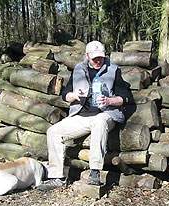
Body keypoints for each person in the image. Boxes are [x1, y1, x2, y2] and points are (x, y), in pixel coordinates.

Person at [44, 40, 132, 187]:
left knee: (99, 122)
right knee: (53, 132)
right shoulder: (78, 69)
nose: (98, 60)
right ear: (87, 56)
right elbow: (65, 94)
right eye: (95, 58)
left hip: (106, 113)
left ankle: (95, 172)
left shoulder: (113, 70)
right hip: (81, 115)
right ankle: (57, 177)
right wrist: (73, 96)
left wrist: (110, 101)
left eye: (101, 57)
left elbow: (125, 97)